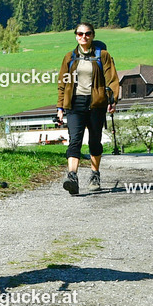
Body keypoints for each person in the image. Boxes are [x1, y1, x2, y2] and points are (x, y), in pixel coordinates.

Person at [56, 23, 119, 195]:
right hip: (75, 104)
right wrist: (60, 107)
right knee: (74, 140)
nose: (84, 37)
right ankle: (72, 177)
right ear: (76, 35)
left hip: (96, 104)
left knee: (94, 142)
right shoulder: (69, 57)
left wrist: (112, 100)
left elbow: (112, 80)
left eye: (87, 34)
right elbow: (62, 84)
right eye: (80, 34)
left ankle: (95, 174)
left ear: (92, 35)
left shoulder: (103, 56)